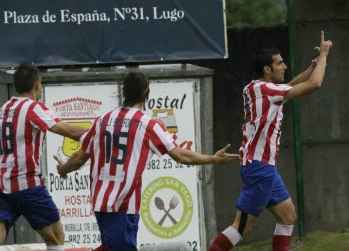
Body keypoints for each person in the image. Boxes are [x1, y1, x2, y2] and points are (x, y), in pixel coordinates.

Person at [55, 71, 240, 251]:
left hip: (100, 202)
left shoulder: (102, 120)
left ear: (123, 92)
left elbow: (80, 156)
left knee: (110, 246)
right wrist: (213, 159)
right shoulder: (148, 125)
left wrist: (63, 170)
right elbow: (180, 155)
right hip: (123, 204)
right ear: (147, 93)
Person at [208, 31, 332, 251]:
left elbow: (291, 86)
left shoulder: (255, 88)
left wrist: (311, 68)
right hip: (259, 168)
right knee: (241, 227)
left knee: (288, 216)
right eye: (280, 63)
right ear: (267, 69)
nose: (284, 66)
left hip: (264, 168)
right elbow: (315, 85)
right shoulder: (267, 90)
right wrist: (323, 56)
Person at [0, 63, 87, 250]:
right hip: (28, 184)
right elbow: (69, 131)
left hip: (4, 184)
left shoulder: (5, 108)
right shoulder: (33, 107)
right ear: (37, 84)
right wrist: (101, 133)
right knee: (56, 238)